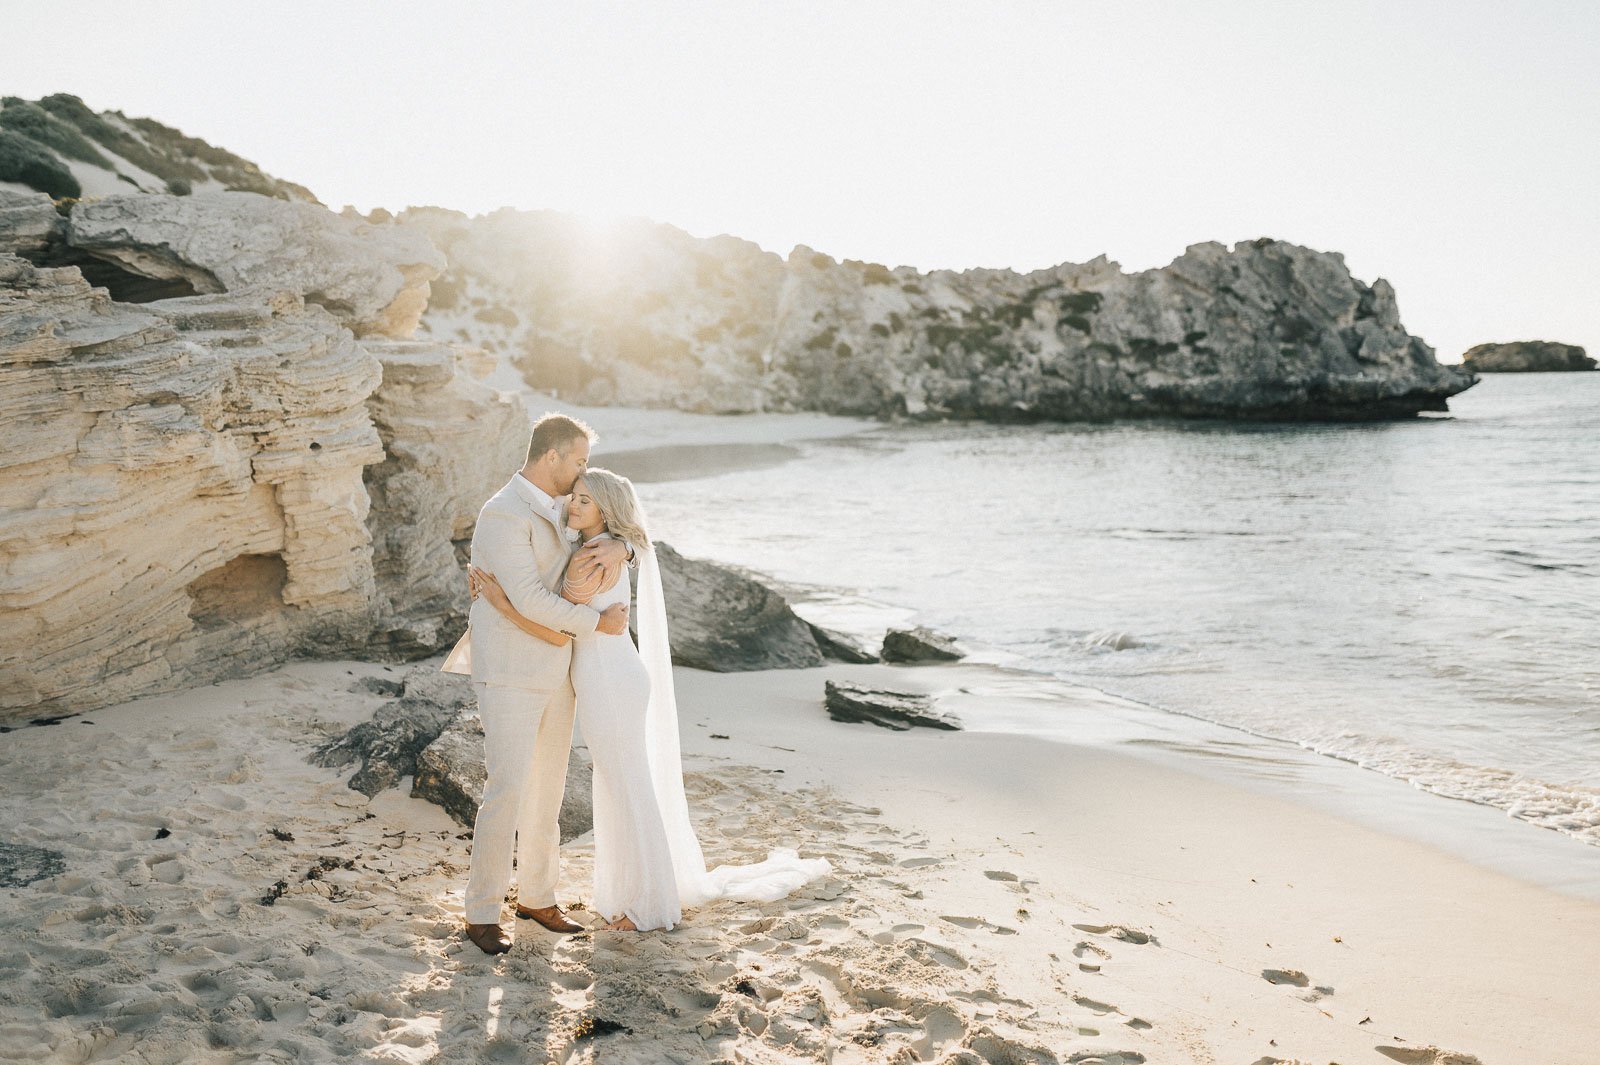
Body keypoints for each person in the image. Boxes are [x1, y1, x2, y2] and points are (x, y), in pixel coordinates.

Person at [468, 467, 831, 932]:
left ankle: (650, 905)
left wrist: (499, 601)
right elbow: (627, 554)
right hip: (610, 674)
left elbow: (555, 624)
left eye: (583, 501)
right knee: (621, 785)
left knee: (627, 787)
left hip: (609, 680)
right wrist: (628, 545)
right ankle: (631, 895)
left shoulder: (589, 559)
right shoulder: (599, 547)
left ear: (606, 512)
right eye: (573, 497)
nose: (570, 506)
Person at [439, 413, 631, 955]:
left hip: (558, 668)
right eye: (578, 462)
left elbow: (617, 525)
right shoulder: (502, 513)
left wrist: (625, 548)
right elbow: (527, 598)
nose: (581, 474)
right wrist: (600, 624)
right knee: (507, 790)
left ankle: (538, 898)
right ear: (551, 458)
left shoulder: (566, 510)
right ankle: (481, 911)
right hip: (510, 671)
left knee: (547, 790)